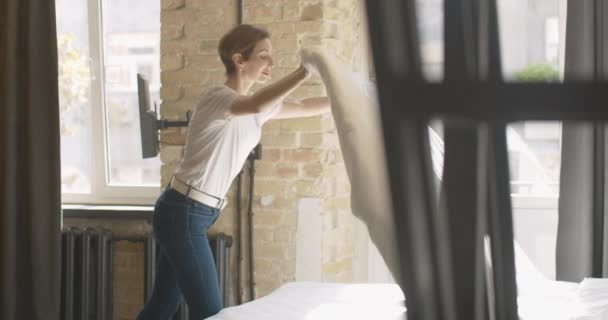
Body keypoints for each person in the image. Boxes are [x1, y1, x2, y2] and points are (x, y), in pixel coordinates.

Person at [136, 24, 330, 320]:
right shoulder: (218, 97)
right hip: (183, 212)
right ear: (239, 60)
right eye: (264, 56)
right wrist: (303, 72)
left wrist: (354, 98)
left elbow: (304, 106)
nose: (271, 64)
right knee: (210, 313)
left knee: (161, 307)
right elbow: (253, 104)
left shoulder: (257, 108)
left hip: (191, 213)